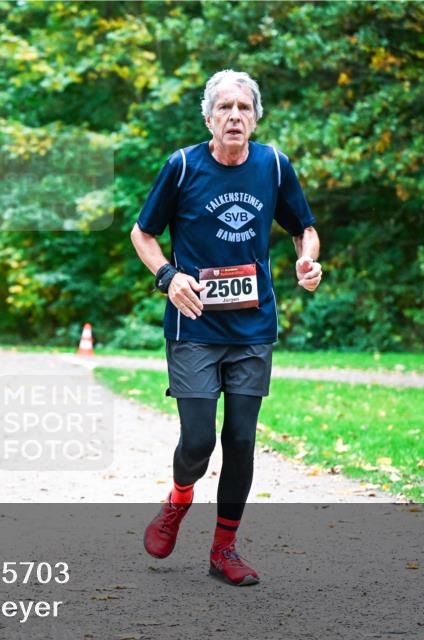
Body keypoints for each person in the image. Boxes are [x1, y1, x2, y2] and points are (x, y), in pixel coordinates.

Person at [130, 70, 322, 586]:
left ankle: (224, 550)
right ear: (209, 118)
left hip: (252, 329)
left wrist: (307, 259)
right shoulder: (183, 166)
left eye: (244, 107)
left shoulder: (274, 166)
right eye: (225, 107)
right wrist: (168, 277)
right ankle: (178, 499)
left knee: (240, 439)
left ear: (255, 118)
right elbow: (142, 234)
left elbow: (304, 228)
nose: (235, 116)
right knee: (197, 442)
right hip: (193, 325)